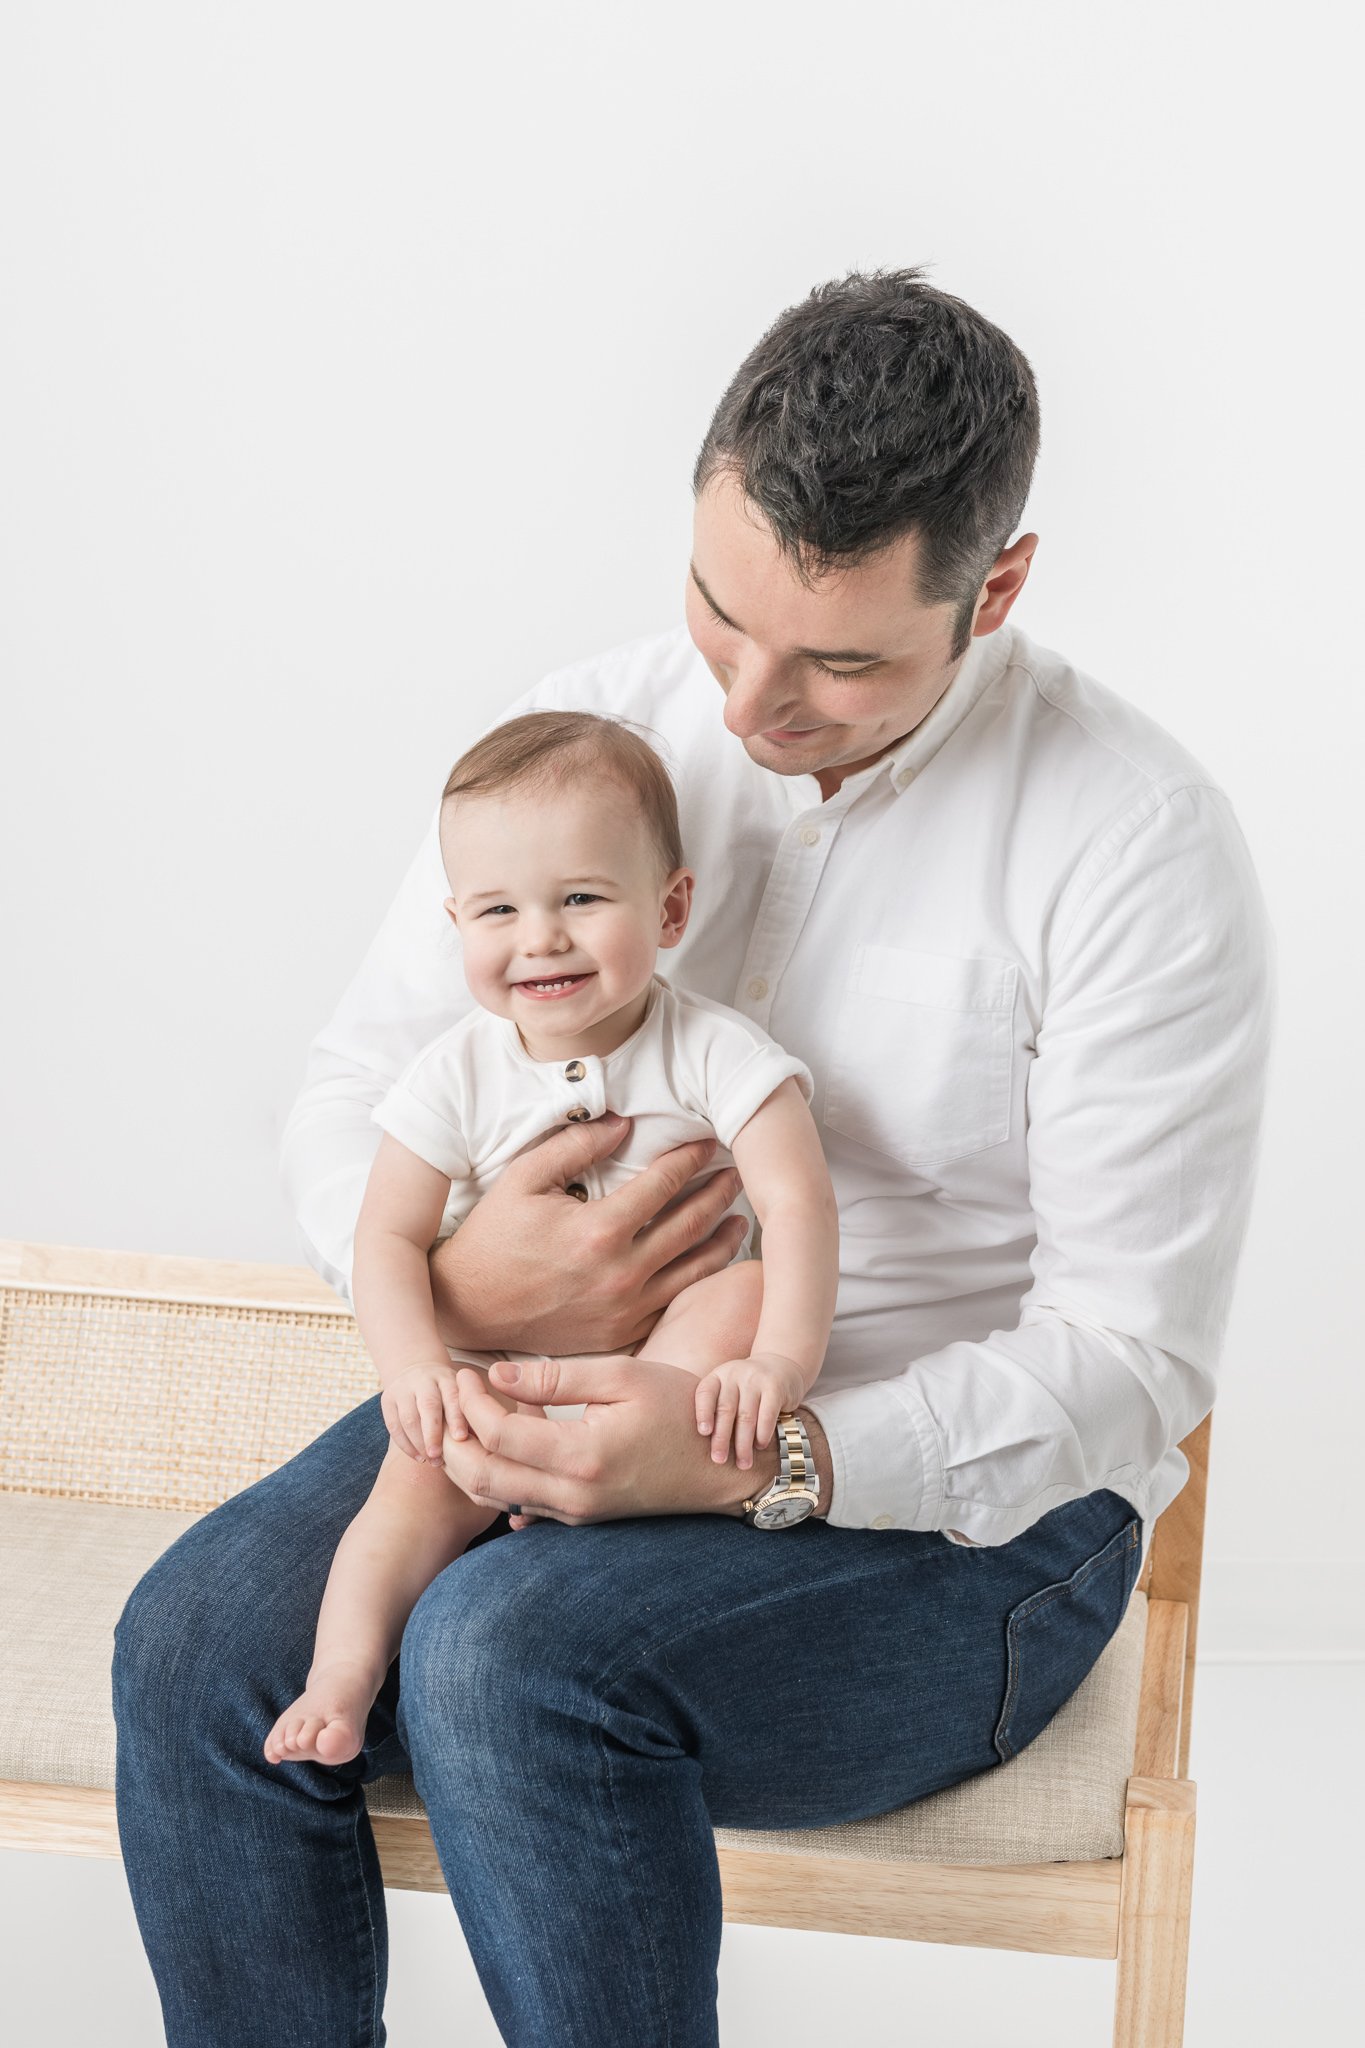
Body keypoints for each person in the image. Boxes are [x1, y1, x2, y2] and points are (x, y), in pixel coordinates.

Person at [112, 266, 1275, 2048]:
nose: (746, 703)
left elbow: (1130, 1362)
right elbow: (358, 1085)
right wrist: (451, 1281)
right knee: (195, 1644)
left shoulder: (1134, 844)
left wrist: (773, 1452)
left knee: (511, 1654)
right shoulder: (595, 729)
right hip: (543, 1364)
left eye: (841, 659)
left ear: (1002, 585)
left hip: (959, 1523)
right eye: (720, 613)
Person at [263, 709, 838, 1769]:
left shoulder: (713, 1050)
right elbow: (384, 1233)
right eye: (498, 909)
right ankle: (340, 1682)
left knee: (738, 1290)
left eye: (580, 897)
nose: (541, 936)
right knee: (404, 1502)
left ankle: (634, 1463)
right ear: (455, 923)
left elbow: (800, 1205)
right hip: (501, 1370)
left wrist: (779, 1361)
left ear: (669, 908)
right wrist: (417, 1369)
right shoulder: (454, 1071)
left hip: (670, 1354)